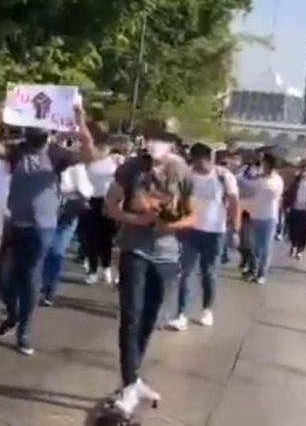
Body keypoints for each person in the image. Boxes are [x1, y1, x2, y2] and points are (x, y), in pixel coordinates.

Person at [104, 134, 196, 415]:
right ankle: (130, 383)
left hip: (167, 255)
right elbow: (110, 205)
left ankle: (132, 377)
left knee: (149, 318)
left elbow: (193, 214)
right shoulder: (132, 168)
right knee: (131, 314)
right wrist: (138, 220)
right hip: (135, 250)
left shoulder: (181, 172)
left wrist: (174, 224)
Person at [0, 104, 96, 355]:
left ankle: (25, 330)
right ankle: (13, 312)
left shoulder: (56, 154)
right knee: (3, 276)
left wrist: (80, 121)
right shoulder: (17, 151)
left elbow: (90, 155)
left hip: (42, 226)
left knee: (30, 276)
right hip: (13, 222)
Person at [167, 143, 239, 331]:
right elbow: (178, 199)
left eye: (199, 160)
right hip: (190, 230)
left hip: (215, 231)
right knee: (185, 272)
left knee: (208, 273)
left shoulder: (224, 176)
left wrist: (236, 229)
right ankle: (181, 313)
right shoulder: (188, 175)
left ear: (208, 158)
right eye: (193, 160)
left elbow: (233, 203)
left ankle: (207, 309)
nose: (196, 164)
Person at [40, 159, 92, 305]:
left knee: (49, 248)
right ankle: (47, 289)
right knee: (55, 249)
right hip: (64, 208)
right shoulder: (75, 165)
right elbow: (85, 190)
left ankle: (44, 287)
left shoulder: (42, 162)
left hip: (57, 209)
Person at [81, 142, 122, 285]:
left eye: (104, 148)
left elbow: (120, 178)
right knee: (92, 237)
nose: (101, 150)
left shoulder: (114, 161)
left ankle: (106, 267)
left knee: (107, 237)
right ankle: (92, 270)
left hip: (108, 201)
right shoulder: (89, 162)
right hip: (91, 200)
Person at [244, 153, 284, 283]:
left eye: (265, 164)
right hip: (255, 216)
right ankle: (253, 270)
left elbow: (270, 193)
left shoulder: (276, 181)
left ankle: (262, 274)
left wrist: (256, 183)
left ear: (271, 166)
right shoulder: (259, 179)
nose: (263, 167)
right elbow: (248, 187)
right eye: (263, 164)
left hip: (269, 218)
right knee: (254, 246)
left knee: (265, 247)